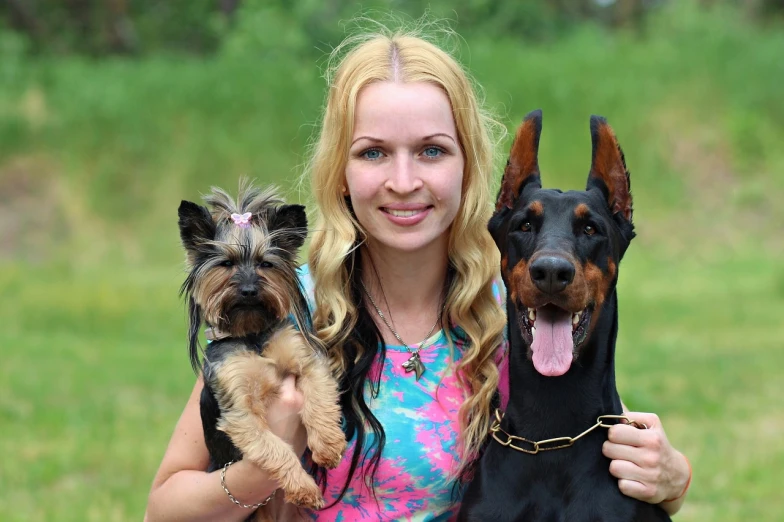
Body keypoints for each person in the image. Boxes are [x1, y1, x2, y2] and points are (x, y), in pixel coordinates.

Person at [145, 22, 691, 522]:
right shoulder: (286, 310)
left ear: (467, 168)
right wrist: (267, 464)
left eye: (431, 151)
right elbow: (162, 510)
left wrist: (671, 479)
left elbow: (580, 468)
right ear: (341, 172)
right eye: (374, 153)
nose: (403, 180)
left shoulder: (517, 307)